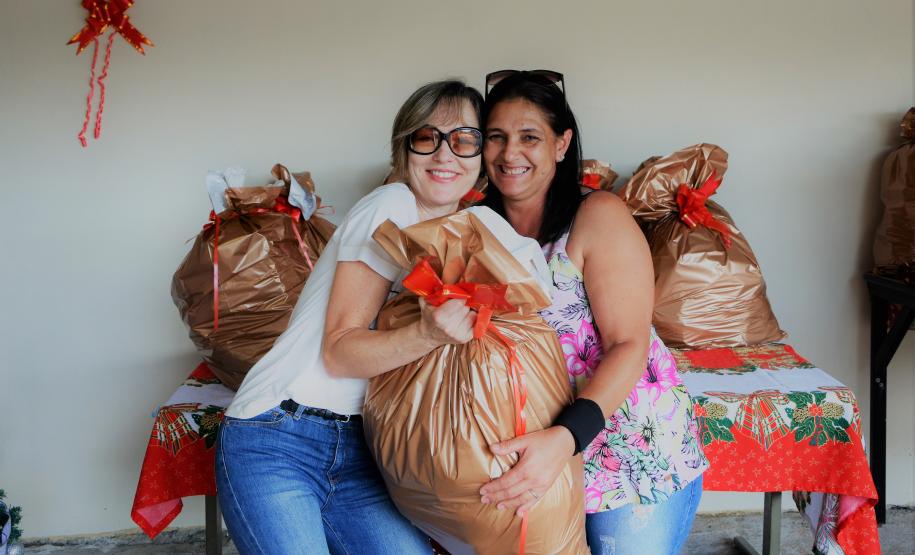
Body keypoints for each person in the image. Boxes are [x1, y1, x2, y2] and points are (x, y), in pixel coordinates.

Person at [216, 80, 484, 555]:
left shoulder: (455, 233)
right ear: (404, 149)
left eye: (464, 140)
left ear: (482, 155)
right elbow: (339, 353)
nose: (446, 155)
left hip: (362, 451)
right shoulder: (391, 206)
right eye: (427, 137)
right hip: (281, 436)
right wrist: (427, 333)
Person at [477, 70, 709, 555]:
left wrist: (566, 438)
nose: (509, 153)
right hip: (527, 448)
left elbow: (630, 343)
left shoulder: (597, 215)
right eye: (496, 137)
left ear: (562, 144)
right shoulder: (476, 227)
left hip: (626, 447)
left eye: (529, 137)